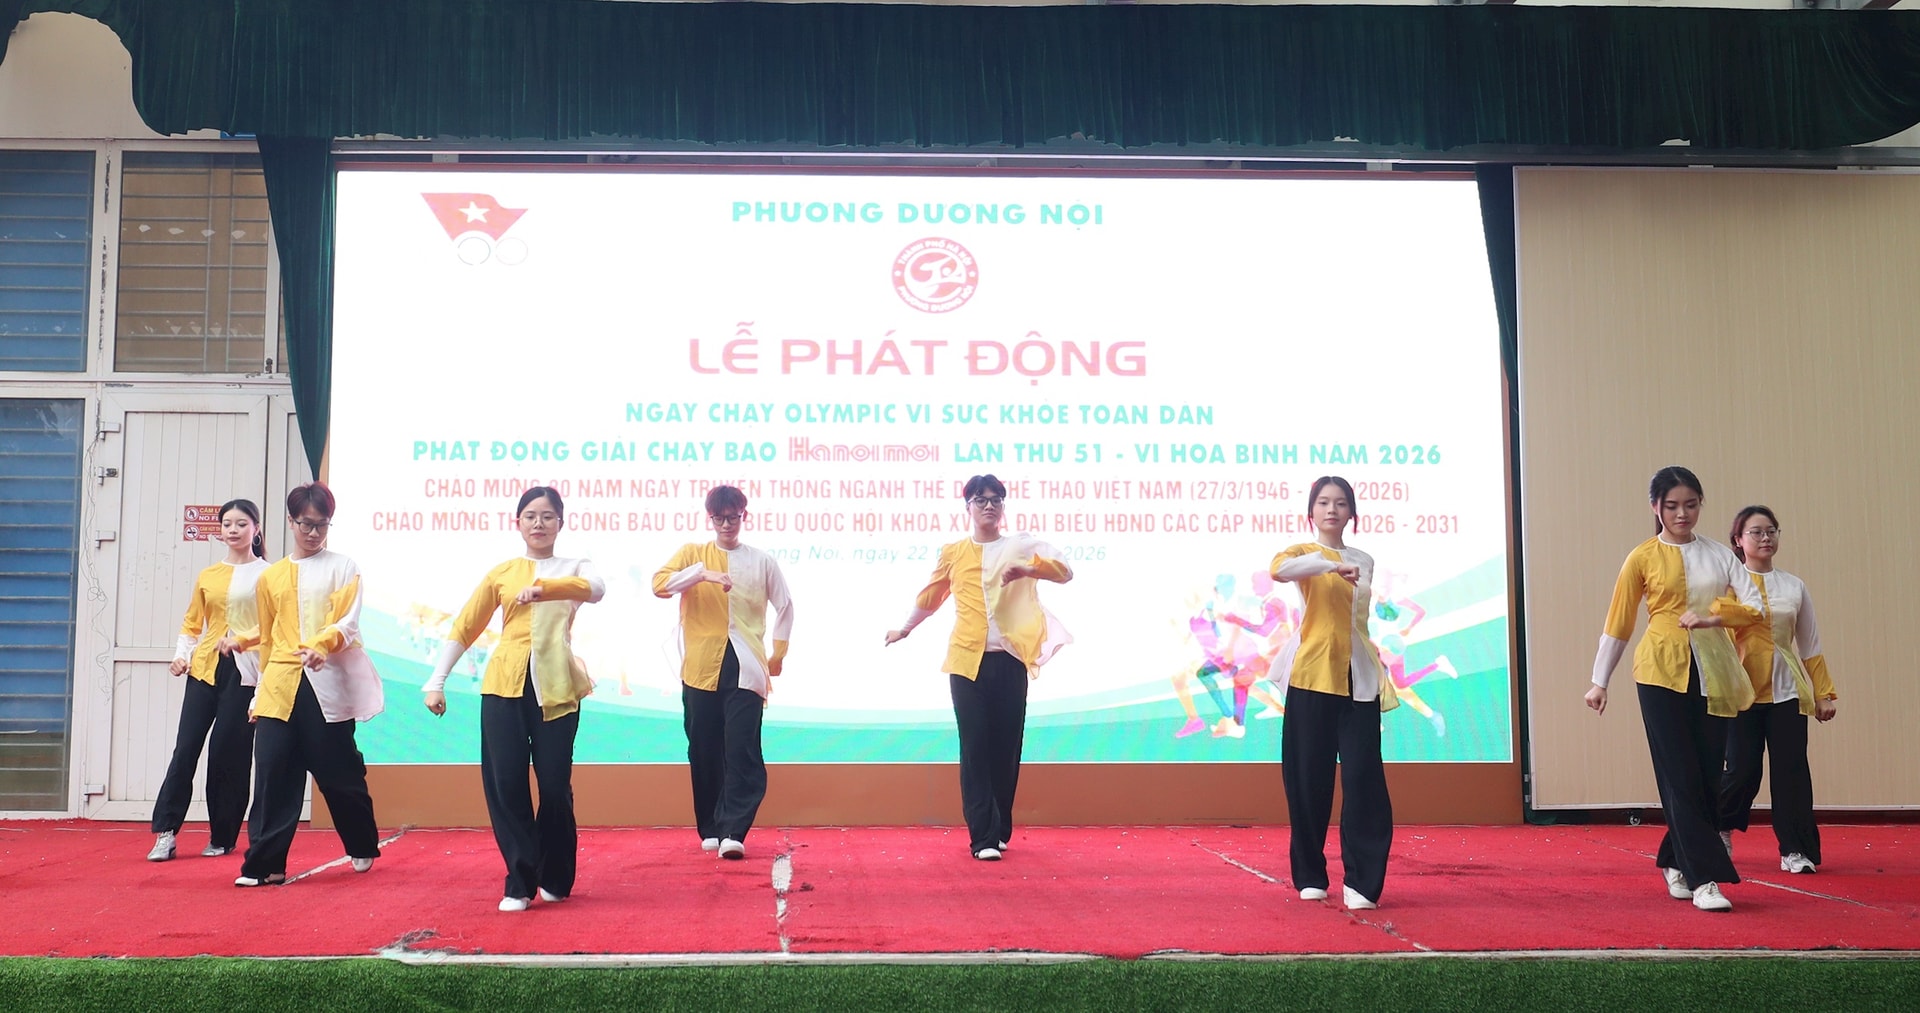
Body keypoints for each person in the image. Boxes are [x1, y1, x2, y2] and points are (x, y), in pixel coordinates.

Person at [424, 487, 603, 911]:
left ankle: (555, 873)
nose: (538, 523)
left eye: (547, 516)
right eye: (530, 516)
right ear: (517, 522)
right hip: (504, 686)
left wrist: (544, 589)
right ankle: (520, 881)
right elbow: (466, 626)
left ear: (561, 522)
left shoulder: (576, 566)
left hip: (557, 688)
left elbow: (595, 589)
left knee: (554, 785)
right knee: (506, 783)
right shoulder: (502, 572)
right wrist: (436, 680)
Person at [1586, 466, 1751, 912]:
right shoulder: (1641, 557)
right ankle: (1704, 879)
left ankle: (1674, 859)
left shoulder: (1720, 555)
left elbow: (1752, 606)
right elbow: (1618, 624)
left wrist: (1715, 618)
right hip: (1659, 672)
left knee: (1708, 773)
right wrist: (1600, 681)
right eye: (1673, 506)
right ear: (1655, 507)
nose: (1682, 514)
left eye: (1691, 505)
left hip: (1714, 670)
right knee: (1679, 773)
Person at [884, 475, 1072, 861]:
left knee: (1006, 746)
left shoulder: (1020, 546)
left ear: (1003, 506)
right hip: (966, 662)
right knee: (974, 746)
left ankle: (999, 828)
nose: (989, 505)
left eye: (996, 499)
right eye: (980, 499)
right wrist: (905, 628)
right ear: (967, 506)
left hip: (1011, 660)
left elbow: (1065, 571)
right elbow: (932, 595)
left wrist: (1029, 571)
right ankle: (982, 837)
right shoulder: (954, 552)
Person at [235, 482, 384, 887]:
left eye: (322, 525)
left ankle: (361, 842)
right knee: (272, 771)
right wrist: (258, 693)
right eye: (306, 524)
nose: (314, 533)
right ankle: (264, 864)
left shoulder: (344, 567)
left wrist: (322, 645)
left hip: (326, 680)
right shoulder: (271, 577)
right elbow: (268, 638)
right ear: (291, 521)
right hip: (279, 683)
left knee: (338, 771)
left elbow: (347, 623)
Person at [1270, 476, 1400, 910]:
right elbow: (1279, 570)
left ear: (1351, 512)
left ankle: (1362, 882)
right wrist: (1328, 566)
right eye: (1323, 502)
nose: (1332, 510)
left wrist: (1339, 564)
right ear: (1311, 511)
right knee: (1308, 778)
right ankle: (1310, 874)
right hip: (1312, 675)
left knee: (1364, 777)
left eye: (1340, 503)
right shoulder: (1300, 554)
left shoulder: (1364, 559)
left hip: (1357, 678)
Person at [652, 485, 794, 861]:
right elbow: (660, 585)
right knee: (703, 746)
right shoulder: (693, 554)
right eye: (720, 518)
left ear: (744, 516)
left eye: (733, 517)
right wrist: (702, 575)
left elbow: (785, 605)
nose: (727, 524)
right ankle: (711, 826)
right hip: (702, 665)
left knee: (742, 747)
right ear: (710, 518)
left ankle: (734, 830)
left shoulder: (762, 561)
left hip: (746, 665)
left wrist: (778, 653)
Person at [1717, 506, 1837, 874]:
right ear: (1739, 540)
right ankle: (1719, 828)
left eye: (1771, 531)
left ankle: (1794, 849)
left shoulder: (1794, 586)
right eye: (1756, 532)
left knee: (1791, 773)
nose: (1765, 537)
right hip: (1741, 693)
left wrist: (1823, 692)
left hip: (1787, 693)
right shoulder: (1727, 587)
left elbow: (1810, 644)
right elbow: (1715, 639)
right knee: (1742, 770)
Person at [148, 499, 268, 861]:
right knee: (185, 749)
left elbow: (274, 629)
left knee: (228, 754)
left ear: (256, 529)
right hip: (204, 669)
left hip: (245, 671)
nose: (233, 530)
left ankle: (223, 836)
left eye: (241, 524)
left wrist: (262, 686)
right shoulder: (208, 575)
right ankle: (166, 832)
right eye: (227, 524)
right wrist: (181, 656)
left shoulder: (270, 574)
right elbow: (192, 623)